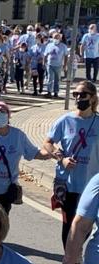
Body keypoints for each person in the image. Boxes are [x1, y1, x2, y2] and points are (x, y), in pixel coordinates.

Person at [43, 80, 99, 248]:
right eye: (75, 95)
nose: (78, 98)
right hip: (66, 183)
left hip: (90, 184)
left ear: (93, 98)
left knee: (85, 223)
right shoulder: (65, 120)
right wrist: (62, 158)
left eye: (83, 95)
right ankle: (71, 258)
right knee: (68, 226)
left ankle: (75, 252)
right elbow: (48, 143)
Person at [0, 102, 53, 213]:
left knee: (0, 225)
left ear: (9, 116)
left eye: (3, 111)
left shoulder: (18, 136)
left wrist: (52, 153)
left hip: (6, 191)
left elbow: (34, 153)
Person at [44, 33, 67, 98]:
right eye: (54, 37)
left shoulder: (63, 46)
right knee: (50, 78)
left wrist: (65, 65)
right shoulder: (49, 45)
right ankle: (49, 92)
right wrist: (44, 62)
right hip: (50, 64)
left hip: (58, 65)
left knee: (57, 79)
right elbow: (45, 54)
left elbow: (65, 56)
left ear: (60, 38)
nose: (56, 39)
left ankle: (56, 92)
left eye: (57, 38)